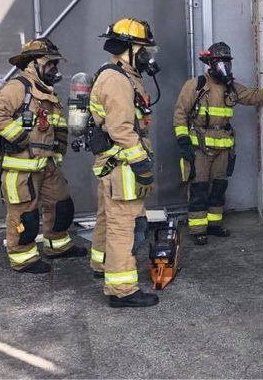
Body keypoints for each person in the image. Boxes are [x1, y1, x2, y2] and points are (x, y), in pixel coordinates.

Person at [173, 42, 263, 245]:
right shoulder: (195, 85)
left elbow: (255, 97)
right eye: (220, 62)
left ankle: (214, 225)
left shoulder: (231, 87)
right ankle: (198, 229)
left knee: (219, 188)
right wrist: (183, 140)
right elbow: (180, 114)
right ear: (210, 63)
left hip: (223, 147)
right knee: (199, 188)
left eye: (227, 63)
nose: (224, 67)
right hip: (199, 148)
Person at [0, 38, 86, 273]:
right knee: (24, 216)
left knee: (61, 205)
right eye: (50, 64)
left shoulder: (45, 92)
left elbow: (54, 125)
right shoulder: (19, 87)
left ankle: (57, 246)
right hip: (21, 167)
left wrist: (59, 146)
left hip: (46, 164)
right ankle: (23, 259)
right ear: (33, 64)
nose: (55, 69)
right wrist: (19, 137)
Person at [88, 18, 161, 308]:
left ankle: (103, 267)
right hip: (123, 167)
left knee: (109, 220)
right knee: (123, 227)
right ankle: (122, 291)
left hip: (116, 165)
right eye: (143, 50)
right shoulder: (116, 79)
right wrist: (142, 165)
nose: (147, 56)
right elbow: (121, 129)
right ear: (128, 48)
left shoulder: (124, 75)